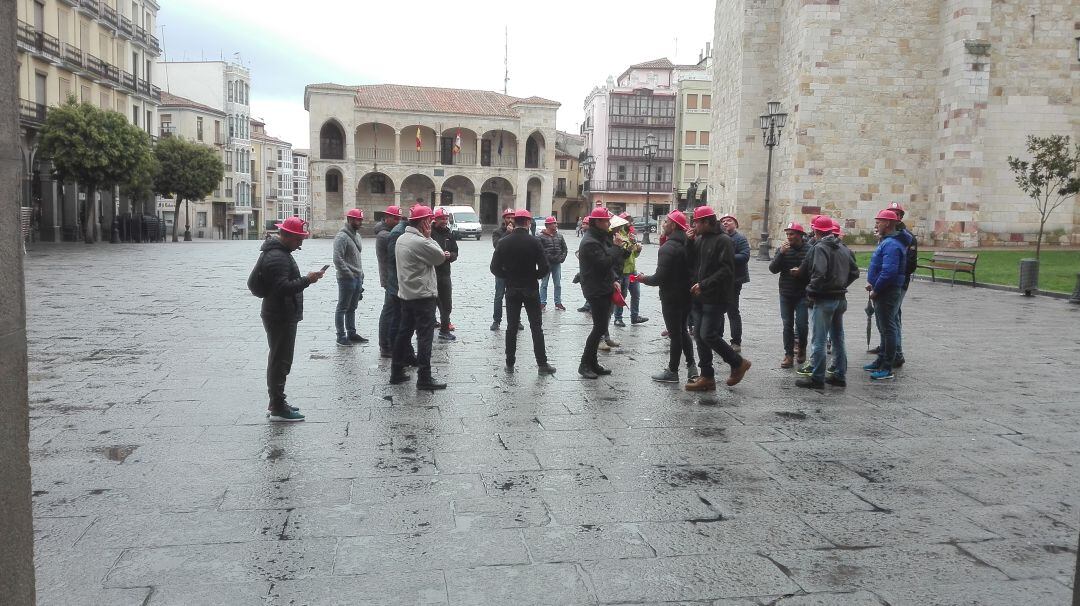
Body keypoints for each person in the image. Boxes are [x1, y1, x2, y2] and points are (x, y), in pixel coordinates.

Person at [259, 217, 324, 422]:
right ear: (287, 236)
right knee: (280, 360)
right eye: (298, 239)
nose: (301, 244)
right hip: (280, 315)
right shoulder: (278, 257)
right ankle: (278, 406)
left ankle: (277, 401)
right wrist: (308, 280)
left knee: (280, 359)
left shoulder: (280, 252)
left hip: (281, 313)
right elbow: (282, 288)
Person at [686, 206, 752, 391]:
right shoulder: (699, 239)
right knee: (699, 336)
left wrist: (704, 284)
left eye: (697, 222)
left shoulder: (723, 240)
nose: (694, 225)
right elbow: (691, 262)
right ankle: (707, 376)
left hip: (716, 296)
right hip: (699, 296)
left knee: (708, 334)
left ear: (707, 222)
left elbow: (726, 270)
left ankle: (738, 362)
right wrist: (689, 242)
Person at [795, 215, 860, 389]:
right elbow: (855, 272)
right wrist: (841, 284)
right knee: (838, 337)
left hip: (825, 299)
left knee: (819, 339)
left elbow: (819, 273)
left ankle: (817, 377)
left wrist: (811, 290)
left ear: (815, 230)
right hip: (840, 298)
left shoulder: (820, 248)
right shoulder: (843, 247)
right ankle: (839, 374)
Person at [391, 204, 450, 390]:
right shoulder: (421, 241)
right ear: (424, 222)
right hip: (422, 296)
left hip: (406, 295)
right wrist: (430, 236)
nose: (430, 224)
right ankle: (424, 377)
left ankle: (396, 371)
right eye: (429, 221)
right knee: (425, 337)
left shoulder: (402, 238)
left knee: (404, 333)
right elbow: (440, 257)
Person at [491, 209, 557, 375]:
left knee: (511, 327)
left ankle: (510, 364)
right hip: (530, 289)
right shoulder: (534, 242)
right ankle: (542, 364)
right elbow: (544, 268)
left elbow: (494, 268)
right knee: (536, 327)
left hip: (512, 288)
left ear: (515, 221)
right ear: (528, 223)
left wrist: (508, 276)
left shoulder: (504, 242)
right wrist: (533, 276)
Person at [637, 210, 696, 383]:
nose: (663, 224)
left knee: (675, 334)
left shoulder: (668, 248)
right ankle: (692, 366)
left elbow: (659, 279)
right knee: (682, 330)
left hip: (671, 297)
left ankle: (672, 371)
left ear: (673, 225)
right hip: (686, 296)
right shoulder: (688, 243)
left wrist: (642, 279)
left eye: (666, 222)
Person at [576, 207, 629, 379]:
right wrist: (616, 248)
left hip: (603, 286)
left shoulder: (598, 238)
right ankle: (584, 364)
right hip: (595, 289)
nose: (609, 223)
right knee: (599, 328)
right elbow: (604, 263)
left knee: (601, 327)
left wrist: (614, 279)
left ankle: (592, 363)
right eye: (606, 220)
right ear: (597, 222)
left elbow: (608, 266)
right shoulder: (590, 242)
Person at [863, 209, 910, 381]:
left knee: (887, 327)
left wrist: (876, 289)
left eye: (879, 221)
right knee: (883, 327)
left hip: (887, 292)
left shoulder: (891, 244)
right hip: (883, 290)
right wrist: (872, 282)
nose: (876, 224)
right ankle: (881, 359)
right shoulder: (888, 241)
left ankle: (887, 366)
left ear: (888, 224)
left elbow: (888, 272)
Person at [873, 201, 917, 367]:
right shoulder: (889, 238)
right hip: (886, 284)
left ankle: (894, 355)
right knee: (885, 320)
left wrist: (881, 285)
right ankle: (886, 352)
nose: (893, 215)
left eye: (896, 213)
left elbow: (904, 265)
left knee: (890, 320)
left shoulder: (901, 239)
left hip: (893, 284)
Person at [769, 221, 810, 368]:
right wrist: (781, 254)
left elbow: (814, 270)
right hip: (785, 293)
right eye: (787, 234)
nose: (789, 237)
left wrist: (801, 272)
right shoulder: (783, 249)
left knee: (802, 325)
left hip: (803, 294)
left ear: (800, 235)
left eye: (791, 234)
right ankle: (788, 355)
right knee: (787, 325)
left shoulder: (809, 249)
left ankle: (802, 348)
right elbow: (773, 269)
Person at [333, 208, 367, 346]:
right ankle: (341, 336)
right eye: (357, 219)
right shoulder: (341, 237)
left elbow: (356, 257)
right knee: (342, 307)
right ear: (349, 220)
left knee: (352, 307)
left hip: (357, 277)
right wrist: (348, 274)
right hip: (346, 278)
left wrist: (360, 274)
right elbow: (337, 258)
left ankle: (351, 333)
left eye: (360, 220)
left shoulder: (357, 236)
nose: (359, 222)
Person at [375, 205, 403, 358]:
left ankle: (389, 343)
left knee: (392, 311)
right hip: (390, 278)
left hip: (392, 277)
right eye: (395, 218)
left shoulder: (389, 232)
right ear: (387, 218)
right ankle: (385, 345)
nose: (398, 221)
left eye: (399, 218)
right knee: (388, 312)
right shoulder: (385, 235)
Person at [719, 214, 749, 352]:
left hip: (734, 280)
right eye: (723, 221)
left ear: (735, 224)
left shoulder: (740, 238)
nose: (725, 223)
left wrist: (727, 257)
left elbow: (744, 256)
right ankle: (718, 338)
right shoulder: (719, 238)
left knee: (732, 310)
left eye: (729, 221)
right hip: (720, 279)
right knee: (718, 310)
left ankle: (736, 341)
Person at [613, 213, 648, 327]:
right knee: (622, 295)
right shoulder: (618, 236)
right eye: (628, 221)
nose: (631, 223)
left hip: (632, 270)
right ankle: (618, 318)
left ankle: (635, 317)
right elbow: (622, 255)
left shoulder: (630, 235)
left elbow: (634, 255)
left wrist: (638, 249)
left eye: (631, 221)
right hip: (623, 271)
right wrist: (631, 245)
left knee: (636, 294)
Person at [430, 207, 459, 341]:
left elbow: (455, 252)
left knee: (446, 303)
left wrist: (450, 255)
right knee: (429, 303)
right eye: (442, 218)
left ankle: (444, 329)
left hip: (445, 274)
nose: (444, 221)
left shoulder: (449, 233)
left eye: (446, 219)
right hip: (431, 273)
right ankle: (428, 326)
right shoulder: (429, 233)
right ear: (435, 219)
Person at [490, 208, 516, 331]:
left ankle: (516, 320)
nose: (510, 220)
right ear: (504, 219)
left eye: (512, 217)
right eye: (508, 217)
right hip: (501, 269)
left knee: (515, 296)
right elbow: (497, 245)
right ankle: (496, 321)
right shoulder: (497, 232)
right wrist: (507, 233)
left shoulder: (518, 231)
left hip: (514, 269)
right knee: (499, 295)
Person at [538, 216, 568, 310]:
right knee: (544, 284)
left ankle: (558, 302)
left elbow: (564, 248)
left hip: (557, 263)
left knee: (558, 284)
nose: (556, 225)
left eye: (555, 223)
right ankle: (542, 302)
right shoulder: (541, 237)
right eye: (553, 223)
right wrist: (548, 258)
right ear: (548, 225)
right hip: (546, 264)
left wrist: (562, 258)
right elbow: (540, 250)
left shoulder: (560, 236)